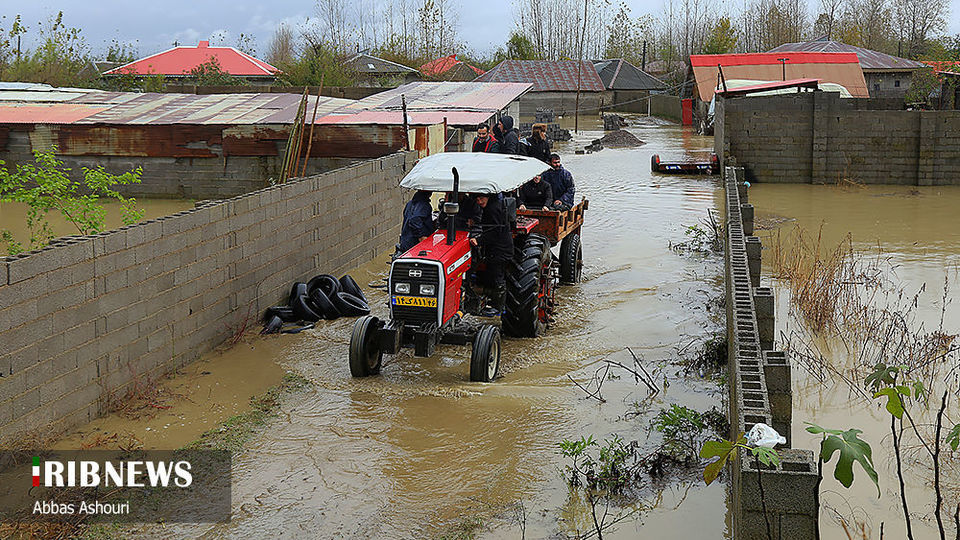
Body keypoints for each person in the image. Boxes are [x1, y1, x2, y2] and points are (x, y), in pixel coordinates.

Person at [470, 193, 513, 317]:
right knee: (491, 274)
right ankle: (488, 300)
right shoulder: (490, 206)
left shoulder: (493, 209)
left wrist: (479, 240)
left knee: (497, 276)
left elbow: (495, 231)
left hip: (500, 249)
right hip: (495, 248)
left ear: (488, 197)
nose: (479, 202)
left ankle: (498, 308)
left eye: (481, 198)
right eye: (477, 199)